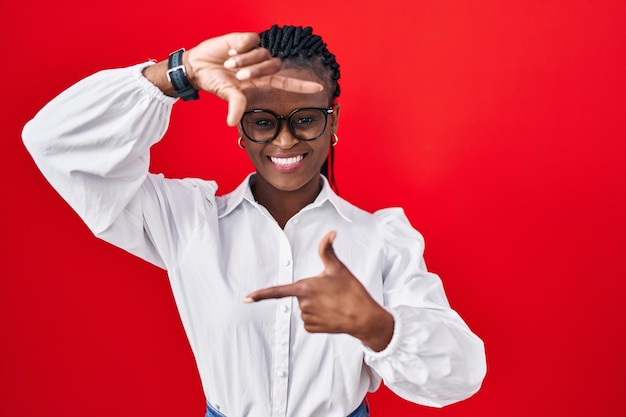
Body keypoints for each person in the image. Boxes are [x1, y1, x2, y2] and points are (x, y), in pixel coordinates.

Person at [23, 25, 486, 417]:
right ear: (240, 126)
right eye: (263, 121)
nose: (285, 140)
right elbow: (54, 143)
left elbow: (461, 378)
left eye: (305, 119)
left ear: (333, 120)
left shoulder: (379, 239)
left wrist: (376, 326)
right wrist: (176, 74)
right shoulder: (189, 221)